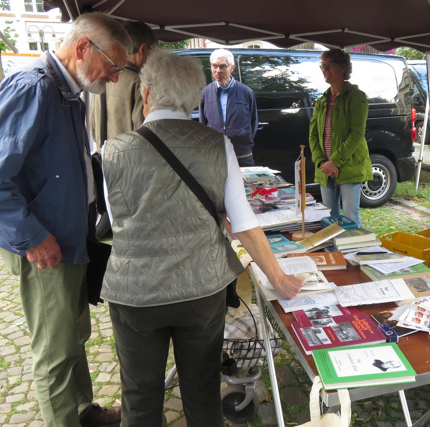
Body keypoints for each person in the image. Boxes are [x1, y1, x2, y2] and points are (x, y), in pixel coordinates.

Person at [101, 50, 304, 426]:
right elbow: (242, 223)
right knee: (201, 391)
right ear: (196, 98)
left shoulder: (113, 151)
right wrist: (278, 278)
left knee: (140, 398)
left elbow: (118, 224)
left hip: (135, 294)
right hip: (201, 289)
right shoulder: (218, 145)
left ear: (145, 94)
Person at [0, 12, 131, 427]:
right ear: (83, 48)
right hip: (46, 246)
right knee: (55, 350)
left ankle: (82, 412)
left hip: (70, 238)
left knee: (74, 335)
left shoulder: (68, 91)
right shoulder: (34, 87)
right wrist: (32, 237)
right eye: (112, 65)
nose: (115, 78)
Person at [309, 48, 373, 228]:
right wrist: (322, 162)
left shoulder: (356, 97)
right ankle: (335, 254)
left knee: (351, 217)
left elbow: (356, 134)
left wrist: (334, 161)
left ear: (343, 68)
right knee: (330, 217)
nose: (325, 70)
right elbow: (313, 134)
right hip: (326, 168)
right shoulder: (321, 101)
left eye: (329, 65)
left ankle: (356, 254)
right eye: (323, 66)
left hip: (350, 166)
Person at [90, 20, 158, 150]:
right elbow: (145, 135)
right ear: (143, 49)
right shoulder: (140, 83)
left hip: (103, 160)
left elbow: (93, 128)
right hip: (130, 162)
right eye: (154, 51)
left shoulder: (102, 78)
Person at [199, 48, 258, 166]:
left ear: (231, 68)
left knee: (244, 184)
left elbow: (253, 121)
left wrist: (246, 141)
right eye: (214, 66)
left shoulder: (246, 92)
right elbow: (203, 124)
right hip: (215, 155)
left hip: (241, 155)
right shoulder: (205, 93)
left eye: (222, 66)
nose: (217, 70)